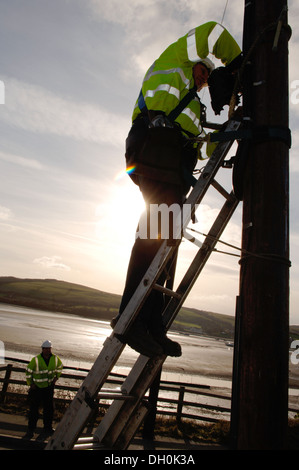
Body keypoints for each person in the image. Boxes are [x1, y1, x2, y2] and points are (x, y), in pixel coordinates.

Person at [112, 21, 242, 358]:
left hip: (170, 162)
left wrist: (227, 133)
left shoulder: (192, 107)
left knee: (167, 238)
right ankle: (130, 319)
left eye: (205, 77)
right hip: (153, 151)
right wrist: (239, 64)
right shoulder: (175, 60)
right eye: (203, 72)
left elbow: (199, 148)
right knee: (155, 230)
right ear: (196, 61)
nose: (202, 79)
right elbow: (213, 32)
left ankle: (152, 320)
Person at [24, 340, 63, 439]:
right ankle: (30, 430)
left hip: (48, 388)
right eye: (46, 349)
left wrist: (56, 377)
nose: (47, 350)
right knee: (34, 410)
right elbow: (28, 372)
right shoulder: (36, 359)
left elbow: (59, 367)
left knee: (49, 410)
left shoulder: (55, 358)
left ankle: (47, 429)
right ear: (42, 349)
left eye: (49, 349)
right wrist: (31, 383)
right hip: (36, 388)